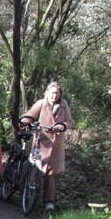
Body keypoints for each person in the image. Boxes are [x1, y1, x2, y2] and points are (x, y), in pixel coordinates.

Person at [19, 81, 72, 211]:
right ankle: (26, 192)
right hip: (41, 142)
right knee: (35, 166)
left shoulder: (63, 105)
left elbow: (69, 121)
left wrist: (62, 126)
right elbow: (30, 115)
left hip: (56, 144)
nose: (55, 95)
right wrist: (26, 121)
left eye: (58, 93)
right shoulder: (41, 103)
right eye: (53, 93)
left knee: (51, 172)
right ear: (48, 93)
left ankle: (49, 202)